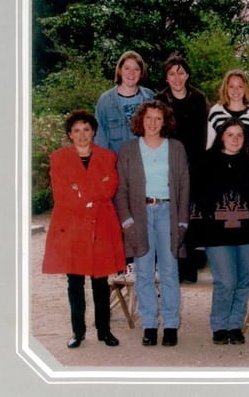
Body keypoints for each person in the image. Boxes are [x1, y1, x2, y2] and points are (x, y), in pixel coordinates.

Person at [42, 110, 126, 349]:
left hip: (101, 224)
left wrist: (81, 191)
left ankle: (104, 331)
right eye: (76, 130)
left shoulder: (108, 157)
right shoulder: (58, 159)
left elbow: (109, 188)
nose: (82, 135)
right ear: (70, 134)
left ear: (94, 132)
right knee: (75, 281)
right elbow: (62, 194)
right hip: (73, 227)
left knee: (101, 281)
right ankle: (77, 332)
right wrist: (90, 195)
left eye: (86, 130)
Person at [115, 100, 190, 347]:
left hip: (168, 212)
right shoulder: (129, 149)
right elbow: (121, 188)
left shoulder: (176, 148)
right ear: (141, 120)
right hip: (140, 214)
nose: (153, 123)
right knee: (144, 272)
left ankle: (170, 325)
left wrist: (182, 222)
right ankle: (148, 324)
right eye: (149, 118)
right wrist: (127, 220)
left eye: (158, 118)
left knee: (169, 271)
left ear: (165, 122)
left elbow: (184, 186)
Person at [188, 118, 249, 346]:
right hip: (216, 233)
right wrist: (199, 228)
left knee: (243, 281)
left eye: (239, 135)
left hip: (247, 233)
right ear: (221, 137)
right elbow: (195, 197)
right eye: (230, 134)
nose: (235, 139)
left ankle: (235, 325)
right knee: (226, 281)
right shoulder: (205, 162)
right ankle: (219, 325)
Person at [155, 52, 209, 283]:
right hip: (167, 164)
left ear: (187, 75)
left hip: (195, 164)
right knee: (170, 215)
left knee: (191, 214)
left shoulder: (198, 98)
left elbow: (204, 133)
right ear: (166, 77)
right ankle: (173, 264)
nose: (177, 78)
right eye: (172, 74)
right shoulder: (160, 100)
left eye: (181, 73)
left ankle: (191, 264)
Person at [94, 50, 154, 154]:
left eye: (136, 69)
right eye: (127, 68)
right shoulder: (105, 101)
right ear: (120, 70)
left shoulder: (150, 98)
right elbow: (100, 140)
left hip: (146, 161)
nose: (131, 73)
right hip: (116, 162)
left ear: (141, 73)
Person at [206, 69, 249, 151]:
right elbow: (209, 144)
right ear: (226, 88)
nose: (236, 90)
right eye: (231, 86)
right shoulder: (216, 112)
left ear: (245, 88)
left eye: (240, 86)